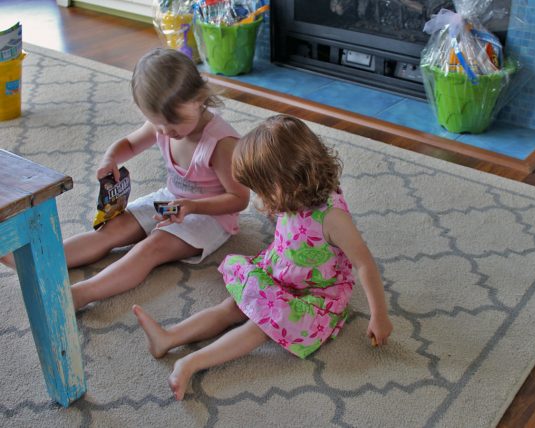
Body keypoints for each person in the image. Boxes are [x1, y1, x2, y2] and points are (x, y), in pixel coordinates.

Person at [133, 114, 393, 400]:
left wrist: (379, 315)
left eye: (263, 189)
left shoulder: (333, 218)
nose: (260, 197)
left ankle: (191, 363)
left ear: (288, 183)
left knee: (259, 326)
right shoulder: (293, 196)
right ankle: (169, 337)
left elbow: (365, 264)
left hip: (313, 295)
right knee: (232, 306)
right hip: (280, 272)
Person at [2, 48, 250, 310]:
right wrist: (111, 158)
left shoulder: (221, 144)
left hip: (209, 215)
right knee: (113, 229)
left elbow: (239, 199)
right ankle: (39, 261)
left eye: (175, 122)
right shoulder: (163, 126)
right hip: (171, 200)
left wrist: (192, 207)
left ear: (199, 98)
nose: (166, 132)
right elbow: (130, 144)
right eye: (157, 123)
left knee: (152, 247)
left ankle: (79, 296)